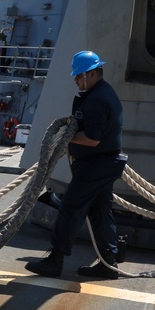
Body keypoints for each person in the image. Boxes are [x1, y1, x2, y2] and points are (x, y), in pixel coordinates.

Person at [24, 50, 127, 280]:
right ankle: (108, 264)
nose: (76, 81)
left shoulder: (98, 100)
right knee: (100, 212)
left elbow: (92, 138)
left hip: (95, 165)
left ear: (90, 74)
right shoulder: (100, 94)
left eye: (78, 76)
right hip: (103, 163)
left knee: (71, 207)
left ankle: (55, 260)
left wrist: (67, 137)